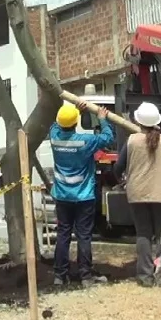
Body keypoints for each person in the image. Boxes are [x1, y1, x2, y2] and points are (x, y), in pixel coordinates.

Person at [113, 102, 161, 287]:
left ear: (138, 121)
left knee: (143, 234)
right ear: (157, 122)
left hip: (138, 193)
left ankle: (145, 276)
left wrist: (122, 180)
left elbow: (118, 167)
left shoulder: (131, 141)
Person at [49, 100, 115, 287]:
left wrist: (75, 111)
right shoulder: (86, 141)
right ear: (76, 122)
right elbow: (108, 138)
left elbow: (56, 125)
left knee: (63, 234)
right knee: (84, 236)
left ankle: (59, 276)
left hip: (62, 196)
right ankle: (85, 276)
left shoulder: (54, 137)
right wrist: (102, 118)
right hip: (84, 196)